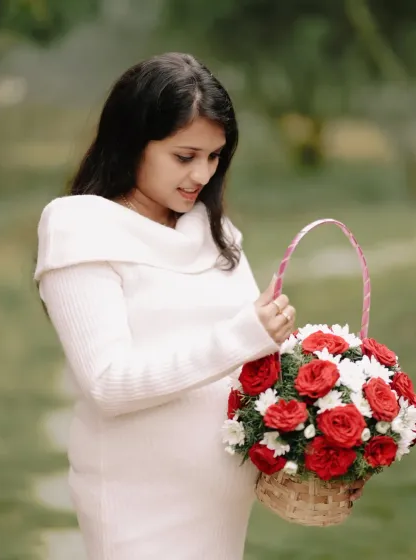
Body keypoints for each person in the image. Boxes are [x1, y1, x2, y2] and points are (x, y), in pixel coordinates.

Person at [34, 52, 297, 560]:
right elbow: (108, 382)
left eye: (215, 157)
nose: (201, 174)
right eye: (185, 156)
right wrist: (241, 336)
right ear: (133, 141)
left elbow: (250, 366)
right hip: (137, 503)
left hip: (221, 504)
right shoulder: (79, 226)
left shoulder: (215, 232)